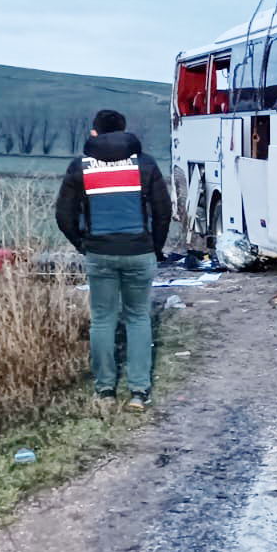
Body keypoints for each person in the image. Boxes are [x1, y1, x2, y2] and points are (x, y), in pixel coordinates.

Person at [54, 109, 171, 410]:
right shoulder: (144, 165)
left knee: (103, 320)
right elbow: (163, 210)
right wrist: (154, 247)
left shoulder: (80, 167)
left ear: (95, 133)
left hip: (99, 252)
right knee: (138, 318)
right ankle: (139, 392)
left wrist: (83, 245)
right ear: (124, 130)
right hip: (139, 251)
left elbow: (63, 214)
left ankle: (105, 390)